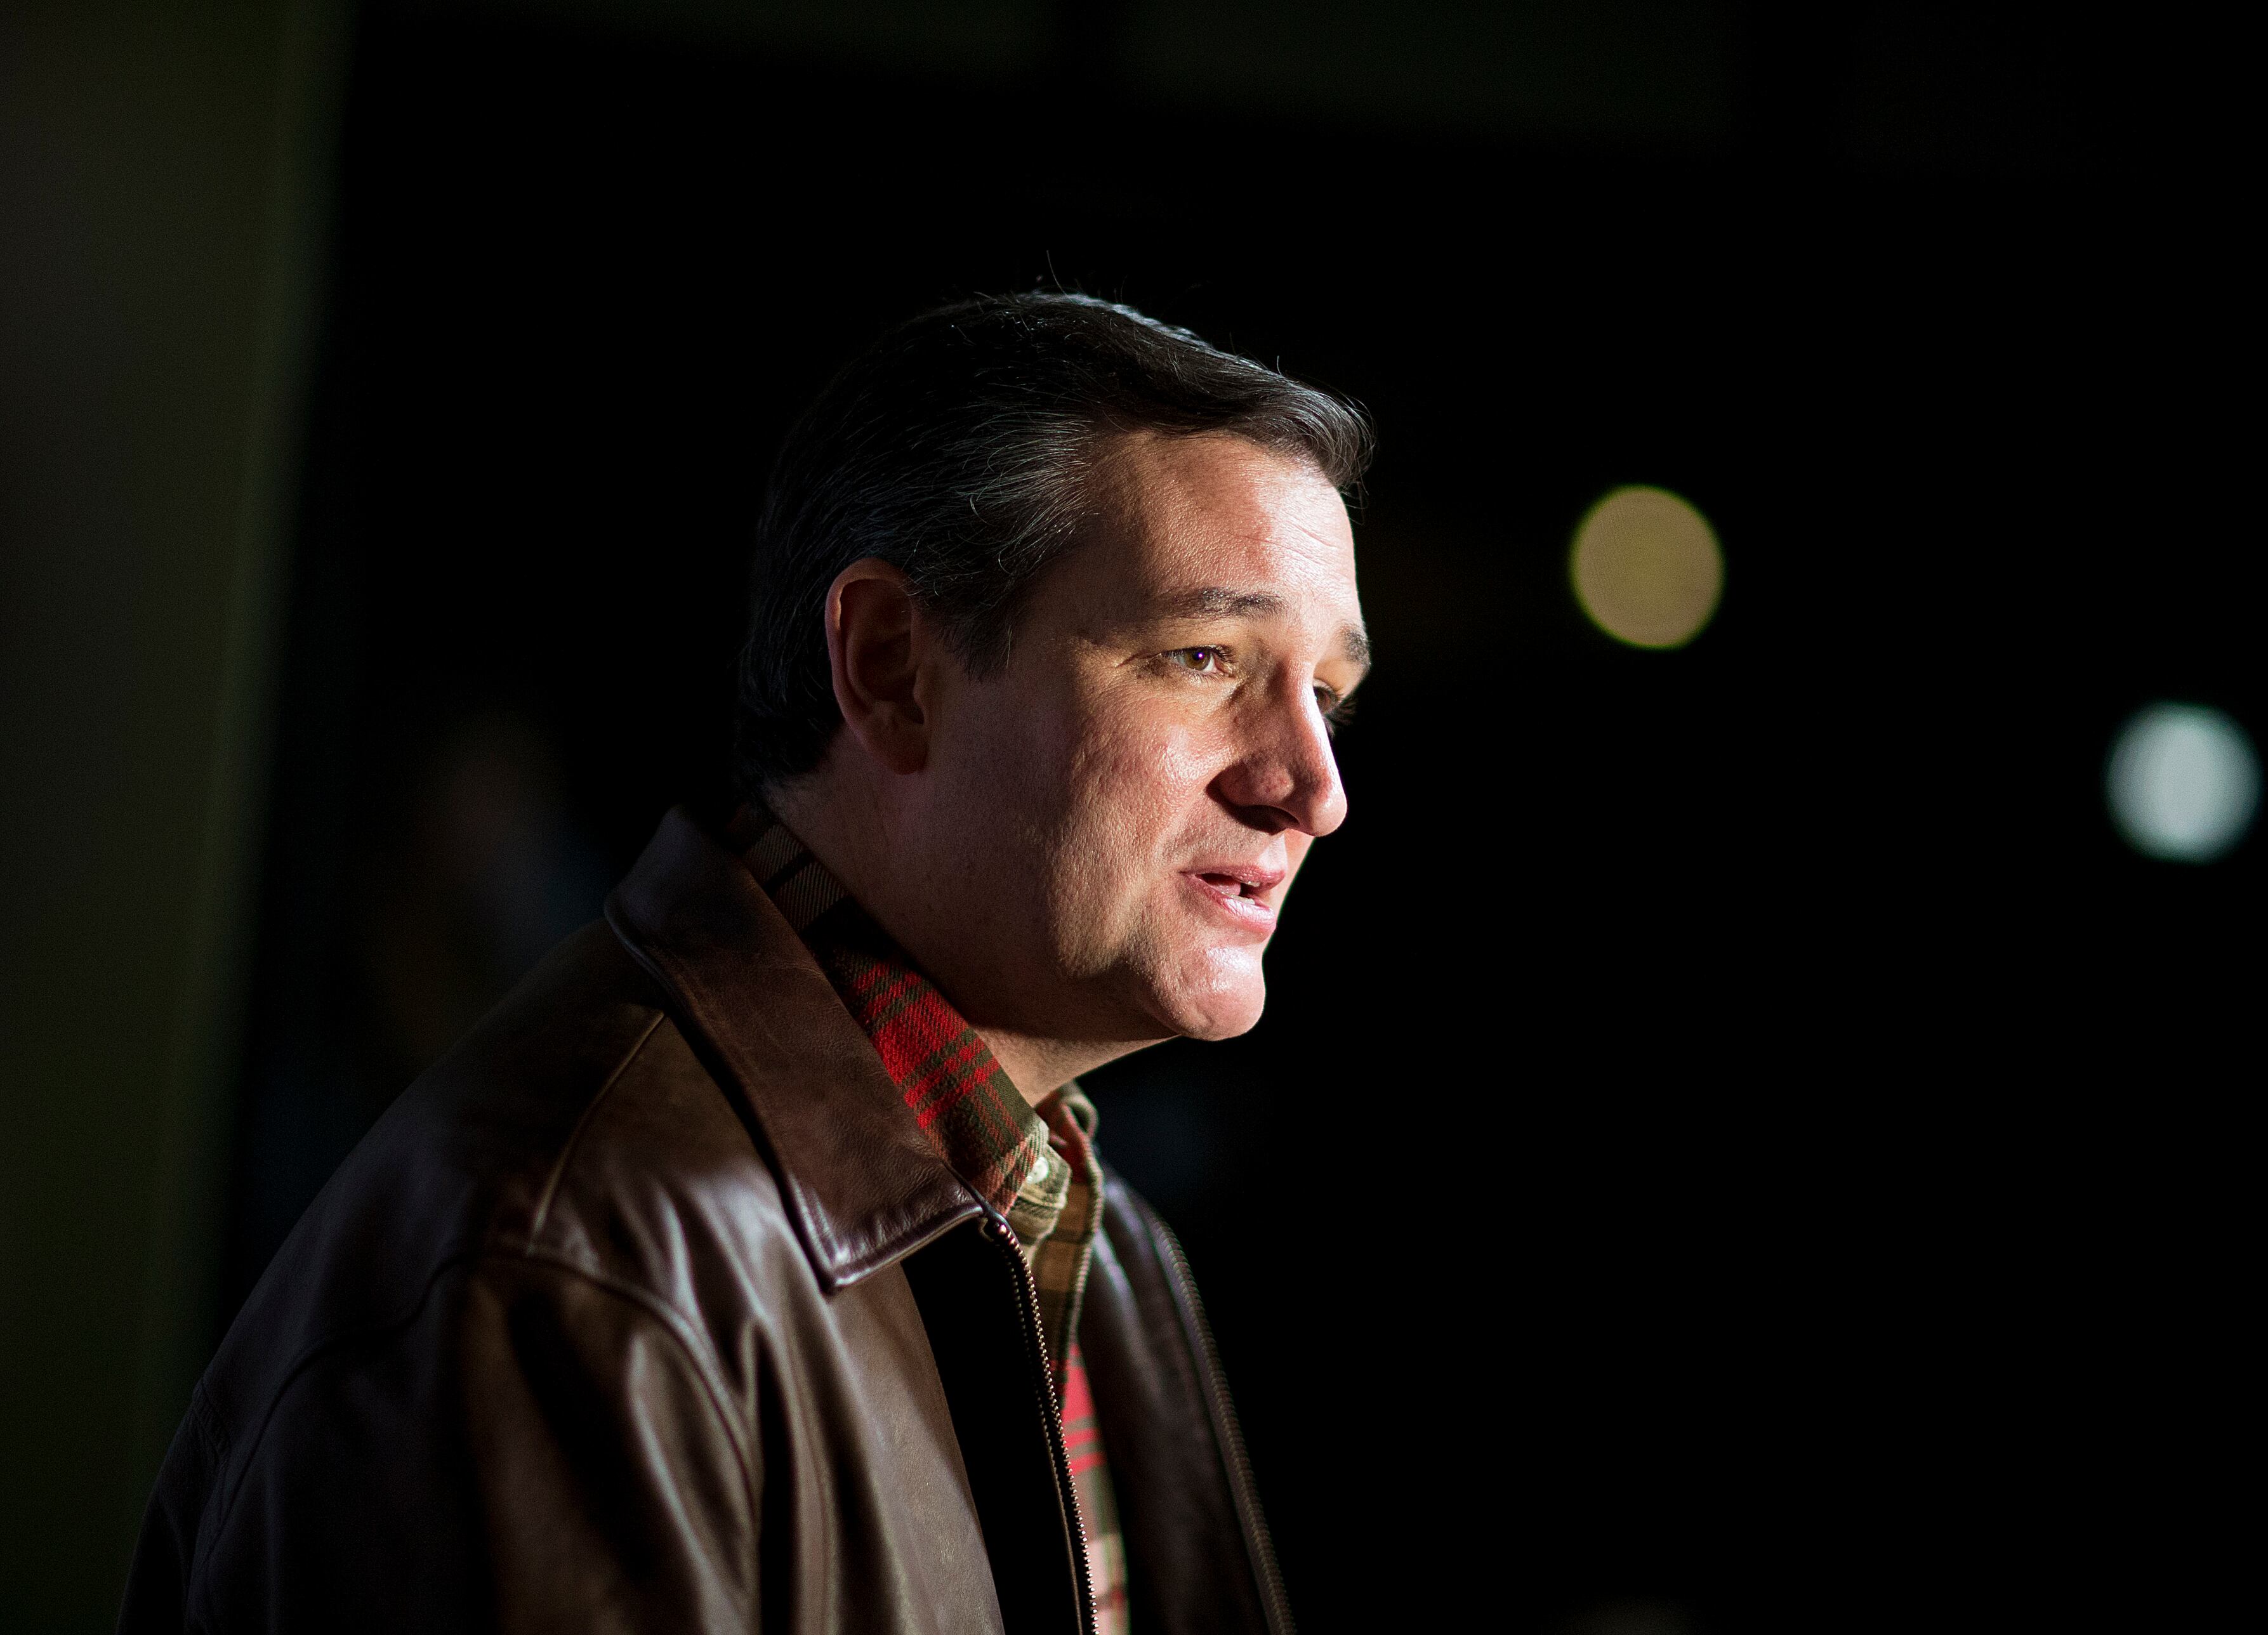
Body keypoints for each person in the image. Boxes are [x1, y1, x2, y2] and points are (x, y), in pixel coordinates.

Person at [118, 292, 1373, 1634]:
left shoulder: (1071, 1225)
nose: (1314, 787)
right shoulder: (567, 1277)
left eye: (1331, 695)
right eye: (1204, 657)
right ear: (892, 667)